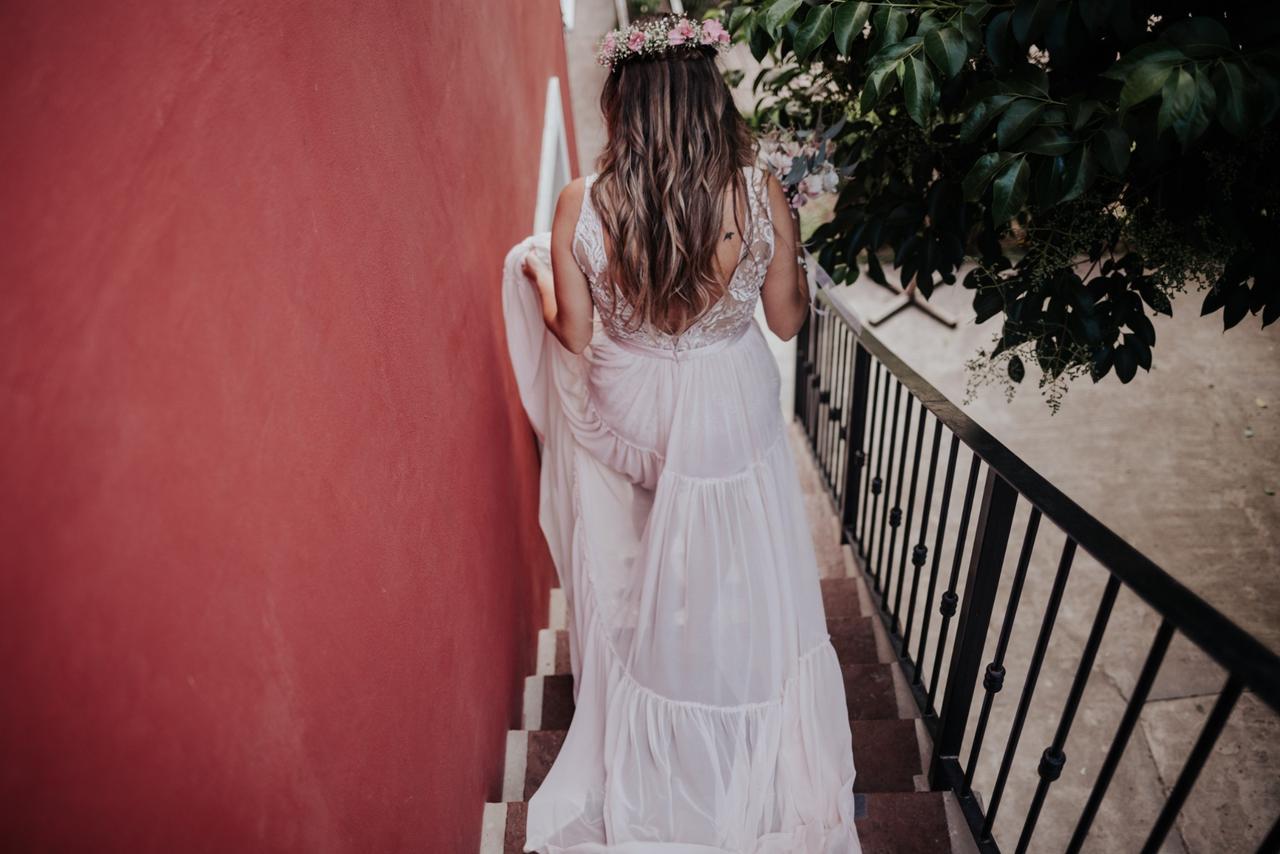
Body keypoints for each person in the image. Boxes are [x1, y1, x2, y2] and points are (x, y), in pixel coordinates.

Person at [501, 12, 861, 853]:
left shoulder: (580, 204)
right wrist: (791, 246)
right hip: (726, 408)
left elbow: (579, 338)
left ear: (625, 103)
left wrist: (540, 282)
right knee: (731, 547)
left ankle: (660, 673)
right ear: (710, 98)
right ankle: (732, 680)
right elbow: (784, 322)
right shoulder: (759, 189)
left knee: (646, 544)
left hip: (633, 412)